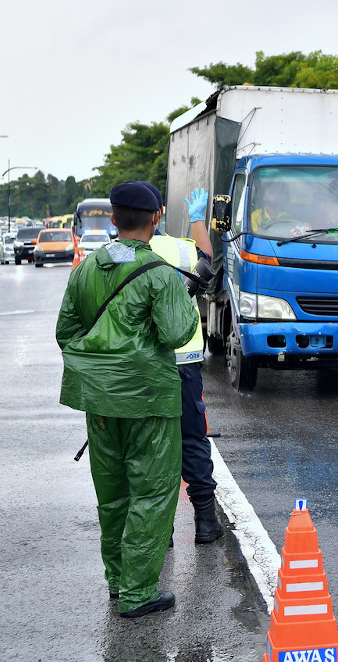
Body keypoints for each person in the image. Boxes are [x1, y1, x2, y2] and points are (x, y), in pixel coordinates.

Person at [56, 181, 199, 618]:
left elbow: (66, 334)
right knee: (153, 493)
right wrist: (187, 302)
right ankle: (139, 594)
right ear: (156, 217)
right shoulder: (159, 274)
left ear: (113, 218)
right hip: (149, 401)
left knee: (112, 493)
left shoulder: (84, 270)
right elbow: (177, 333)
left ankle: (118, 582)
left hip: (99, 403)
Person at [147, 184, 225, 544]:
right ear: (159, 214)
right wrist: (197, 220)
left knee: (148, 446)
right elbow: (207, 264)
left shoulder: (110, 256)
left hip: (139, 367)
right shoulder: (176, 247)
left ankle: (159, 532)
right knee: (192, 439)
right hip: (184, 363)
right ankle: (206, 523)